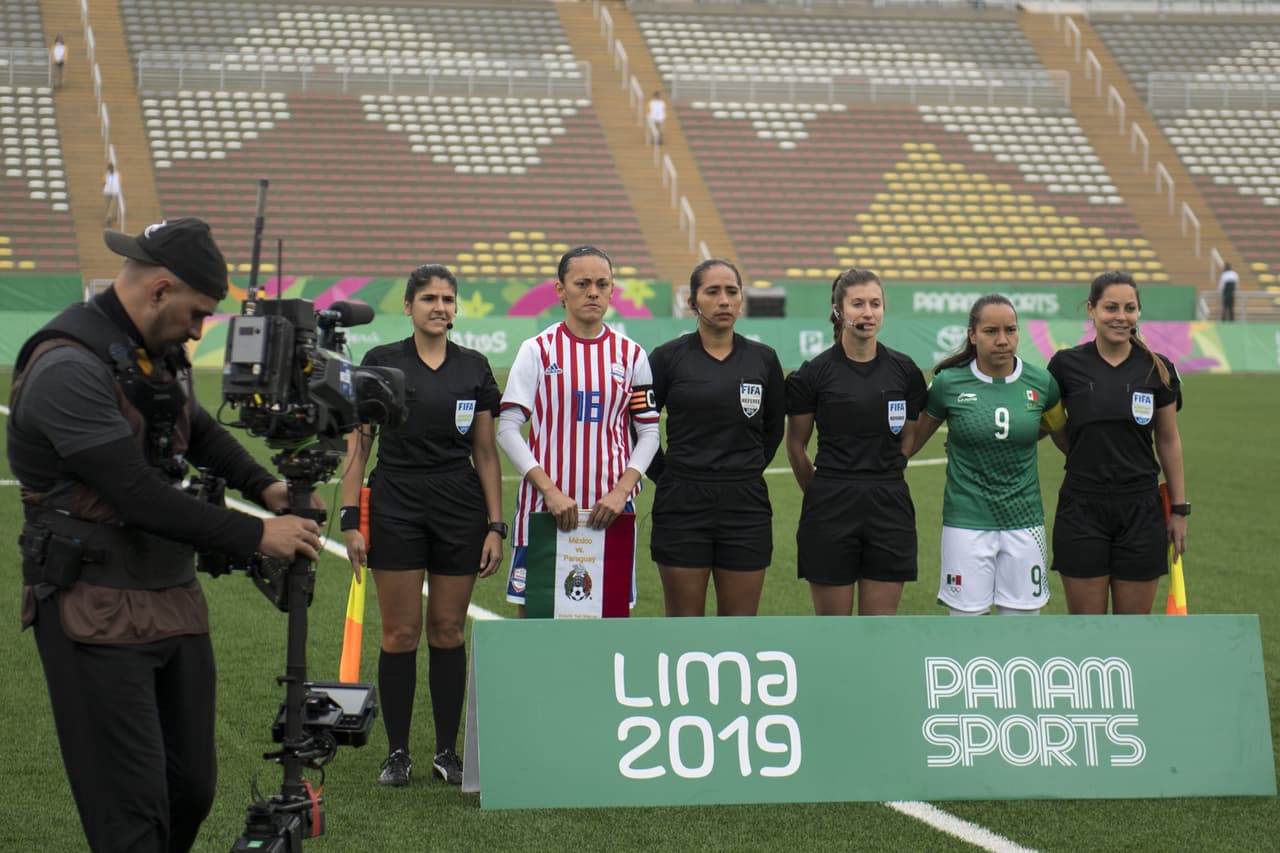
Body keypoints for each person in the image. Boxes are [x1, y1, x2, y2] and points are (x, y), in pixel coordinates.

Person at [8, 218, 323, 853]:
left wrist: (266, 487)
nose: (202, 331)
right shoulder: (67, 365)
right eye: (198, 313)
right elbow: (134, 492)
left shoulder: (152, 352)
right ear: (159, 290)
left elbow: (198, 429)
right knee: (132, 813)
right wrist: (257, 533)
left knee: (190, 790)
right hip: (90, 606)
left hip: (169, 597)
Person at [341, 264, 504, 788]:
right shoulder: (381, 362)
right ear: (408, 307)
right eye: (430, 298)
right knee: (400, 633)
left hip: (459, 507)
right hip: (396, 504)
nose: (440, 306)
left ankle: (446, 753)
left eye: (448, 299)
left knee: (449, 631)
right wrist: (350, 519)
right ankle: (397, 753)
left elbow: (484, 451)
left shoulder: (474, 367)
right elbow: (359, 444)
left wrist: (495, 525)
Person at [497, 245, 661, 614]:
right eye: (582, 283)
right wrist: (550, 491)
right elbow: (507, 428)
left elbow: (649, 432)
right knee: (536, 626)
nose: (593, 292)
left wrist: (621, 491)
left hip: (611, 514)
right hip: (544, 512)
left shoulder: (632, 355)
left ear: (612, 290)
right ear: (560, 290)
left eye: (602, 284)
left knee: (608, 630)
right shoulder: (537, 350)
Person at [904, 294, 1063, 616]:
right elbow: (908, 446)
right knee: (966, 628)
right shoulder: (948, 383)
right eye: (991, 331)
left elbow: (1062, 436)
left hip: (1025, 523)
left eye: (1011, 330)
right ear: (972, 335)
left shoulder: (1042, 383)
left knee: (1022, 628)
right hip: (966, 523)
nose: (1002, 340)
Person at [785, 267, 927, 616]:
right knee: (834, 633)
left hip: (889, 504)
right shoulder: (813, 373)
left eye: (875, 304)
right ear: (838, 310)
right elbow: (796, 446)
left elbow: (908, 436)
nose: (867, 313)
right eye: (857, 304)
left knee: (879, 630)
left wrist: (888, 472)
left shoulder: (905, 371)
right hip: (831, 506)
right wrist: (823, 491)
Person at [647, 259, 785, 617]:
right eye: (712, 292)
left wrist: (745, 469)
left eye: (732, 291)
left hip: (746, 505)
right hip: (682, 504)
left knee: (738, 630)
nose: (724, 300)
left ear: (741, 299)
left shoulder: (764, 360)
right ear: (692, 302)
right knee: (684, 627)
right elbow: (639, 427)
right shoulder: (666, 359)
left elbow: (773, 430)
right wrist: (669, 476)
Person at [1046, 270, 1187, 615]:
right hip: (1081, 509)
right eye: (1111, 307)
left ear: (1139, 312)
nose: (1121, 317)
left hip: (1141, 509)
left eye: (1130, 308)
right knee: (1087, 630)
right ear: (1091, 309)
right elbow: (1046, 423)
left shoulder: (1158, 369)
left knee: (1132, 633)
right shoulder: (1065, 365)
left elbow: (1168, 441)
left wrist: (1180, 510)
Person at [102, 162, 121, 227]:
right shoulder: (106, 174)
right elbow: (103, 182)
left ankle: (107, 220)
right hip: (107, 192)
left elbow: (120, 182)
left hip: (115, 192)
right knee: (107, 207)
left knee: (111, 207)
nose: (110, 170)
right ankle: (109, 219)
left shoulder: (117, 175)